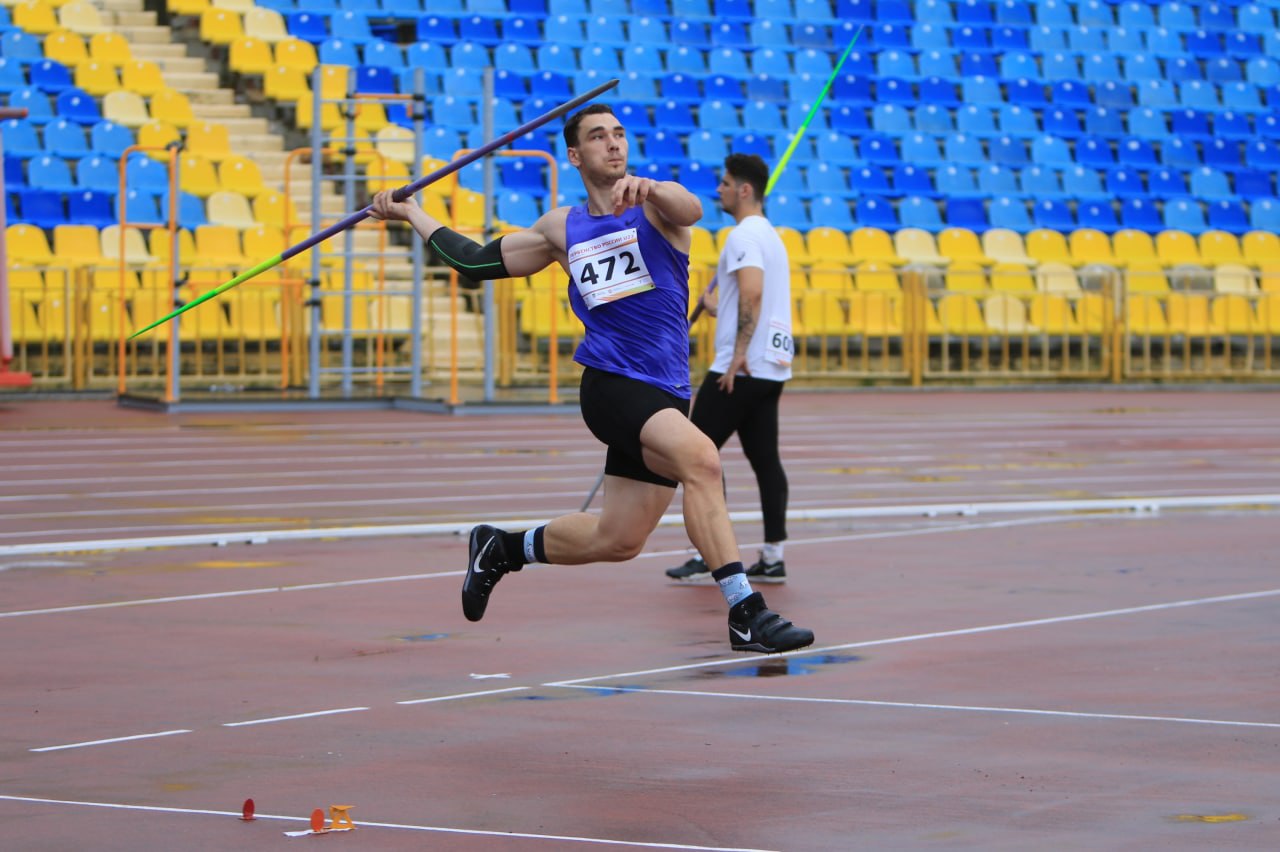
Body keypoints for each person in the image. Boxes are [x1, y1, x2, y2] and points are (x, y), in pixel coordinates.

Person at [368, 104, 813, 654]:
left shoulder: (658, 208)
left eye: (619, 134)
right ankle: (747, 612)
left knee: (618, 538)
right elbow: (477, 263)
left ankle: (502, 549)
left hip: (665, 390)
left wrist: (648, 190)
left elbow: (692, 207)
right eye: (598, 137)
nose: (613, 144)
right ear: (575, 155)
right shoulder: (561, 228)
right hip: (609, 383)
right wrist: (412, 214)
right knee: (703, 460)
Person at [666, 153, 793, 585]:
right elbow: (750, 299)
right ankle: (773, 556)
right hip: (769, 369)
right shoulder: (771, 236)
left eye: (723, 183)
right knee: (764, 460)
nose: (717, 190)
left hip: (738, 370)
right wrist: (716, 306)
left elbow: (753, 294)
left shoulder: (742, 237)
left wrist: (738, 352)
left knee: (693, 457)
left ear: (743, 189)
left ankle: (707, 555)